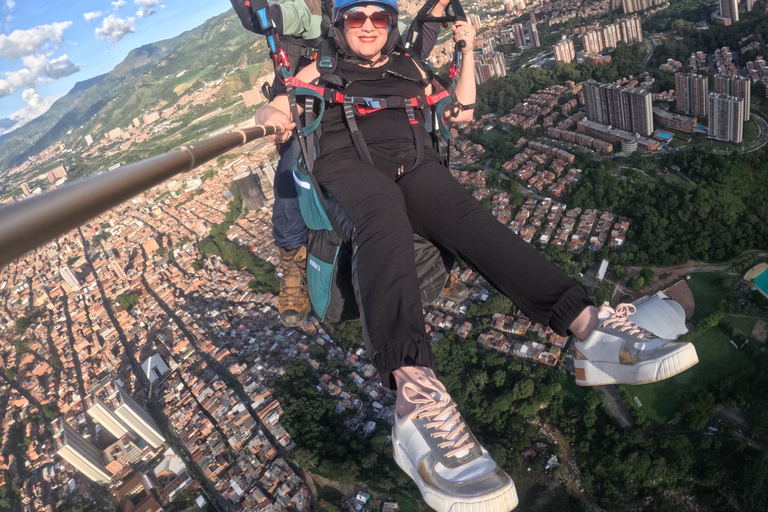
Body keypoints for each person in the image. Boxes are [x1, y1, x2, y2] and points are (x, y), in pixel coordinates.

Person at [253, 0, 699, 509]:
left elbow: (461, 111)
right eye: (358, 18)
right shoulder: (324, 68)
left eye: (380, 17)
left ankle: (587, 327)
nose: (370, 27)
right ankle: (413, 399)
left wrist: (466, 49)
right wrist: (273, 118)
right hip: (348, 164)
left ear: (392, 23)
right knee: (382, 215)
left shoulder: (412, 66)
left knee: (469, 218)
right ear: (340, 25)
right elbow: (284, 104)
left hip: (415, 163)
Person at [231, 0, 466, 328]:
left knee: (413, 151)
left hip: (367, 106)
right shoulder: (311, 13)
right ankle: (293, 262)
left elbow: (408, 52)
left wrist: (437, 10)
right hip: (321, 112)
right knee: (292, 170)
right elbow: (268, 19)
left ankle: (423, 254)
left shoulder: (371, 15)